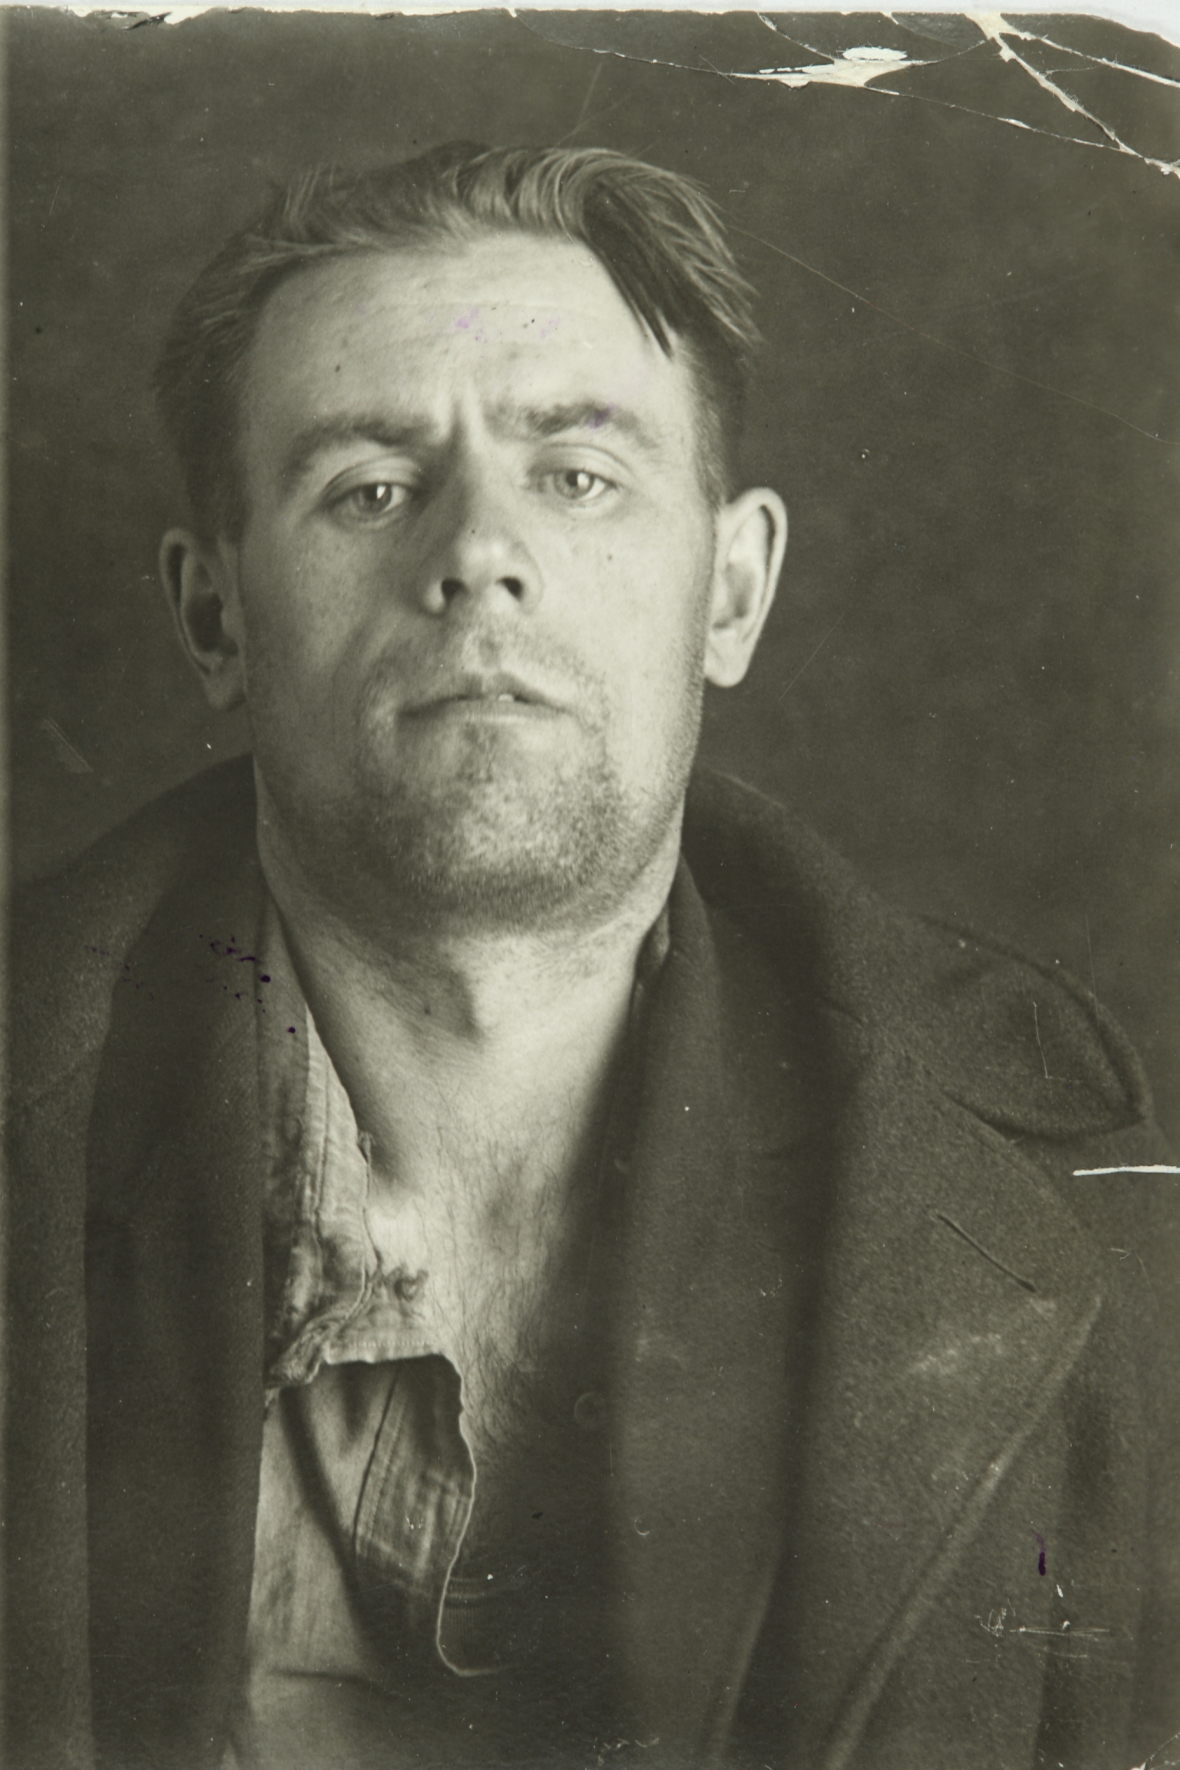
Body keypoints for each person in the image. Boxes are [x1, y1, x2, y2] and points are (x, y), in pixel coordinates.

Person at [6, 142, 1177, 1770]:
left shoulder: (1086, 1230)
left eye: (576, 474)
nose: (477, 552)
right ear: (218, 618)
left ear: (732, 590)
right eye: (370, 486)